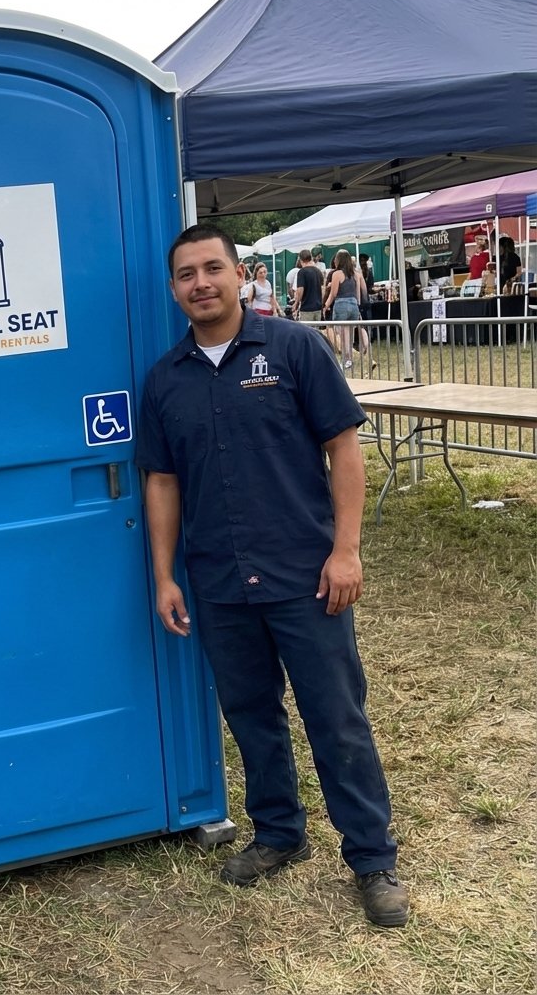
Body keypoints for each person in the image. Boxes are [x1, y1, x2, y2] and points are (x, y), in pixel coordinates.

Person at [135, 223, 408, 929]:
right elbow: (162, 483)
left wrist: (346, 550)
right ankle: (279, 833)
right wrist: (164, 575)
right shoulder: (167, 380)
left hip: (305, 576)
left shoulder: (294, 349)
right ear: (174, 290)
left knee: (337, 721)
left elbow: (343, 449)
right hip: (220, 582)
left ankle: (373, 858)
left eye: (212, 268)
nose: (201, 283)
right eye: (187, 274)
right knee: (252, 717)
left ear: (237, 274)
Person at [323, 249, 373, 372]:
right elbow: (360, 292)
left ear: (339, 260)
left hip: (341, 304)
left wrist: (325, 305)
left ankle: (347, 359)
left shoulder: (337, 274)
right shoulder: (355, 274)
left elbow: (333, 293)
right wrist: (358, 305)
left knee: (341, 333)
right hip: (354, 304)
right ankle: (350, 357)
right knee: (350, 333)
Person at [292, 249, 325, 322]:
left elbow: (300, 290)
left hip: (306, 308)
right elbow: (323, 289)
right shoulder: (318, 271)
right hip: (318, 308)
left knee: (306, 331)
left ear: (300, 260)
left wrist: (296, 303)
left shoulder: (302, 272)